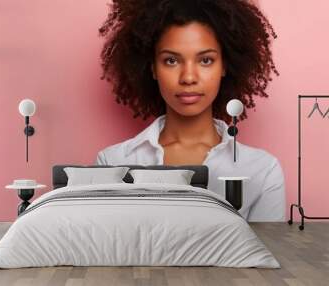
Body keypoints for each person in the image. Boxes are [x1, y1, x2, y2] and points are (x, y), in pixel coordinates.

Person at [95, 0, 285, 221]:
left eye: (205, 60)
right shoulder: (112, 162)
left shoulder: (261, 171)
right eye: (171, 60)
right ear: (152, 68)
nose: (188, 77)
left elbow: (264, 254)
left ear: (224, 65)